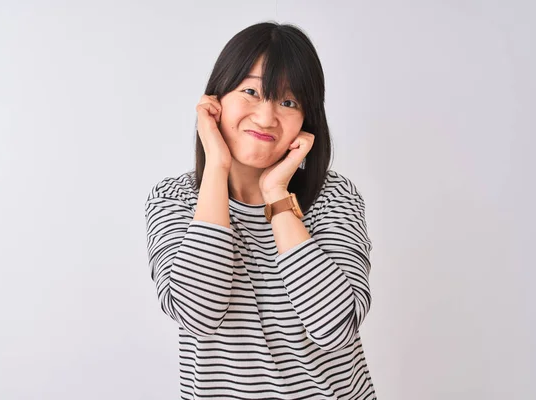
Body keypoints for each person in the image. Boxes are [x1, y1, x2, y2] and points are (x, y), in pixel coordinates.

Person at [145, 21, 375, 400]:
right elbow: (198, 313)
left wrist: (276, 194)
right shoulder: (175, 199)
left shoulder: (333, 197)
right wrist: (216, 167)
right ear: (215, 102)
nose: (267, 117)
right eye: (251, 91)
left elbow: (334, 327)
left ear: (306, 119)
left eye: (288, 101)